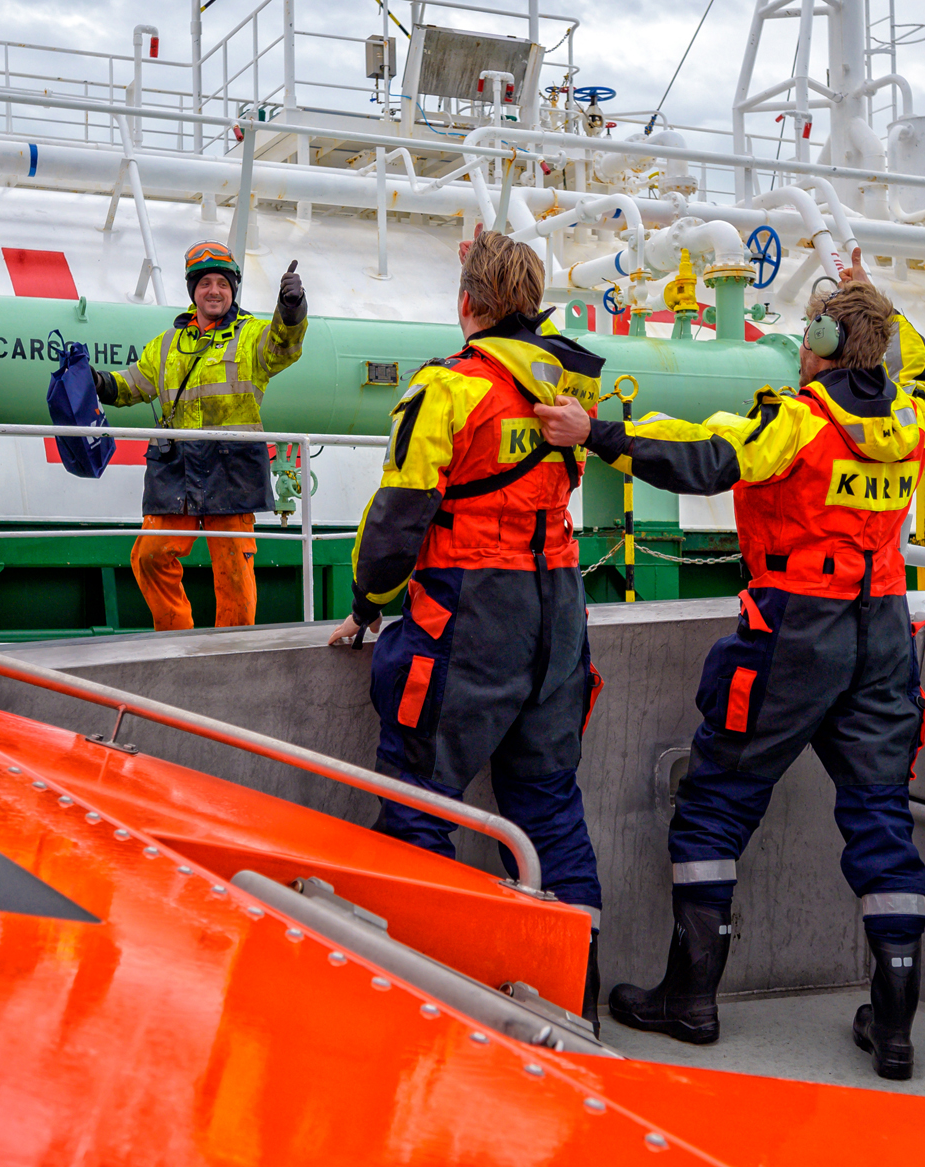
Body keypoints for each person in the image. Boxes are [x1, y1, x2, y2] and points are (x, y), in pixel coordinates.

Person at [535, 248, 925, 1077]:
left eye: (809, 331)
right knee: (880, 814)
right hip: (885, 634)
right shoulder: (911, 419)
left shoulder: (797, 418)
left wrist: (596, 434)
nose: (799, 346)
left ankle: (691, 998)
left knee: (717, 802)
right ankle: (895, 1027)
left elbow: (702, 460)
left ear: (827, 340)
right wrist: (876, 298)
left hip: (795, 630)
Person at [326, 231, 608, 1031]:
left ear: (465, 305)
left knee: (419, 805)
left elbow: (399, 517)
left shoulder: (448, 389)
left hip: (469, 612)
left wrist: (369, 601)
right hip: (557, 610)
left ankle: (434, 1013)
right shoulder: (568, 391)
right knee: (549, 808)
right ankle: (576, 1003)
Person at [94, 241, 307, 630]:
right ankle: (176, 640)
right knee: (150, 556)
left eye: (222, 284)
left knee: (234, 575)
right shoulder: (166, 345)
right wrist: (99, 382)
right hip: (177, 470)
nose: (214, 290)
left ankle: (230, 652)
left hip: (231, 468)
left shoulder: (252, 336)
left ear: (232, 290)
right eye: (205, 282)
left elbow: (283, 345)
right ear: (193, 290)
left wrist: (291, 308)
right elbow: (133, 384)